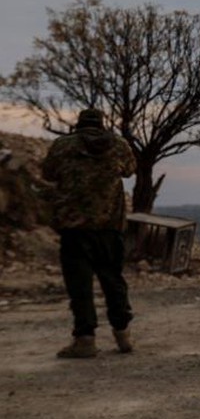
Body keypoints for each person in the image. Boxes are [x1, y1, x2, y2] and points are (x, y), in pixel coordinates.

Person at [42, 108, 136, 358]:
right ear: (102, 125)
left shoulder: (62, 146)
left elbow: (48, 173)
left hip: (74, 228)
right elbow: (129, 170)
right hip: (109, 226)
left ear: (78, 125)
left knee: (80, 285)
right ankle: (123, 334)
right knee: (113, 279)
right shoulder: (119, 145)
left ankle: (85, 339)